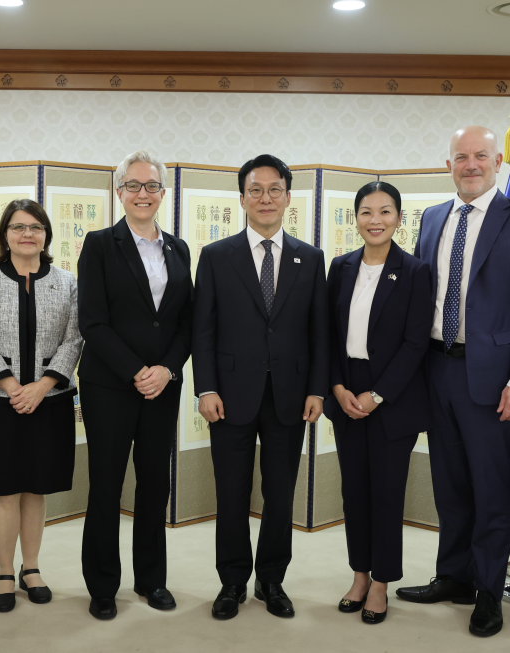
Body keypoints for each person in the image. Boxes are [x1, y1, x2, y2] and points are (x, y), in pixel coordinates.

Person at [397, 126, 510, 637]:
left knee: (490, 488)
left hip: (494, 379)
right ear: (449, 164)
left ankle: (488, 589)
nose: (470, 164)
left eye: (480, 156)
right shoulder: (434, 217)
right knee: (449, 485)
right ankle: (454, 576)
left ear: (499, 160)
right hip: (436, 369)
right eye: (461, 156)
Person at [193, 154, 328, 621]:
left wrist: (317, 389)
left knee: (280, 493)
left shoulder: (310, 258)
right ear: (243, 197)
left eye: (275, 189)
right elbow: (203, 330)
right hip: (228, 395)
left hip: (290, 395)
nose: (266, 198)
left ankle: (272, 579)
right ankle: (232, 581)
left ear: (288, 197)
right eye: (256, 189)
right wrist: (205, 388)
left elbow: (319, 332)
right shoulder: (215, 256)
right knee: (231, 492)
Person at [77, 150, 193, 620]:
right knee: (106, 485)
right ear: (119, 191)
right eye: (133, 185)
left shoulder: (180, 249)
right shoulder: (100, 244)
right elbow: (93, 322)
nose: (142, 193)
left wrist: (165, 369)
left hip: (163, 387)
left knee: (153, 486)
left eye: (151, 186)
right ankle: (102, 586)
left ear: (163, 194)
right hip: (110, 385)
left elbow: (187, 321)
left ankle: (151, 580)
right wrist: (136, 372)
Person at [323, 181, 433, 625]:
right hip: (346, 389)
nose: (375, 220)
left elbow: (414, 343)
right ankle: (359, 574)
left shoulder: (415, 270)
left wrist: (378, 394)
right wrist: (336, 388)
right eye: (366, 212)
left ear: (399, 219)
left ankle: (383, 583)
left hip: (393, 396)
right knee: (355, 492)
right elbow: (326, 334)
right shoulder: (341, 267)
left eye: (385, 212)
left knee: (386, 495)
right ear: (355, 219)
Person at [0, 199, 82, 612]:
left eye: (35, 227)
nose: (27, 234)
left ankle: (31, 568)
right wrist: (15, 387)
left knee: (36, 487)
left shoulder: (67, 282)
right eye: (18, 227)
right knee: (4, 490)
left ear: (46, 234)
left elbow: (75, 338)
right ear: (5, 235)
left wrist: (42, 387)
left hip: (50, 400)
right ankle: (4, 571)